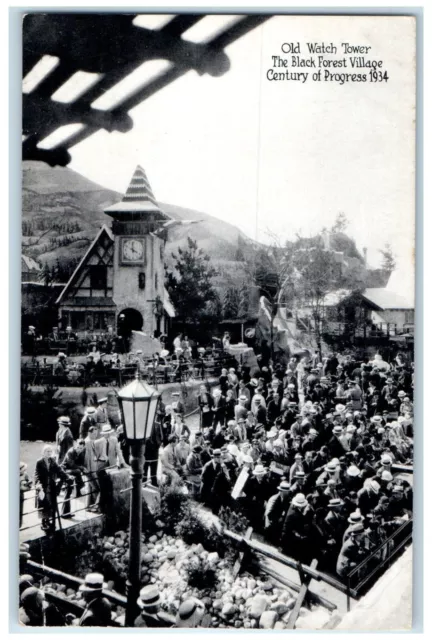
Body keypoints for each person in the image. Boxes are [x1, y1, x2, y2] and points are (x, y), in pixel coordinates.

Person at [34, 444, 72, 533]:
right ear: (43, 452)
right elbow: (36, 474)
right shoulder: (39, 462)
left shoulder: (53, 461)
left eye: (50, 451)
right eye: (47, 451)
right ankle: (43, 522)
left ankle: (49, 521)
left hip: (51, 486)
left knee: (51, 504)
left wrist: (67, 477)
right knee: (43, 504)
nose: (49, 453)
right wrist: (38, 485)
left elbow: (59, 470)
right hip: (43, 487)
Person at [61, 439, 86, 517]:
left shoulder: (82, 453)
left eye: (81, 448)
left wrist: (82, 468)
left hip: (73, 471)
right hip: (65, 471)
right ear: (75, 445)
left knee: (69, 491)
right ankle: (81, 486)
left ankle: (66, 513)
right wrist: (82, 468)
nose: (79, 450)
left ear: (83, 447)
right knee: (68, 491)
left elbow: (81, 463)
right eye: (78, 447)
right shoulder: (70, 452)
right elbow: (71, 464)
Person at [20, 462, 32, 528]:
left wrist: (28, 484)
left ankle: (19, 525)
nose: (25, 471)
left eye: (25, 470)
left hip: (21, 495)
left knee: (20, 511)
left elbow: (30, 482)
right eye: (24, 470)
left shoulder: (25, 475)